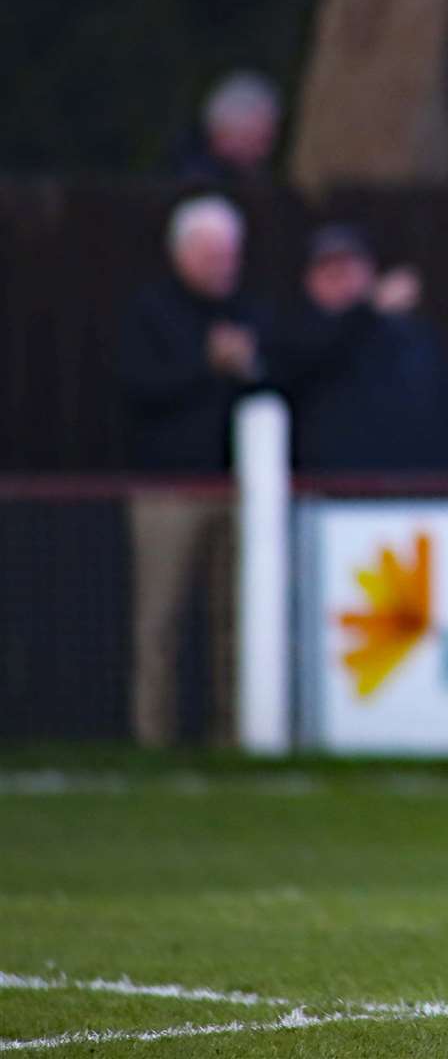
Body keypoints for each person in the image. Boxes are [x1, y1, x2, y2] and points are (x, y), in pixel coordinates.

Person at [118, 195, 272, 747]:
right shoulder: (150, 313)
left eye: (229, 254)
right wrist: (205, 365)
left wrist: (245, 365)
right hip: (170, 490)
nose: (222, 265)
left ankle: (234, 735)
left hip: (239, 488)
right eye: (210, 254)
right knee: (159, 621)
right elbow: (138, 389)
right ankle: (152, 737)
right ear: (181, 252)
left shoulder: (250, 312)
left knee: (237, 620)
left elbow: (274, 386)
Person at [269, 224, 448, 472]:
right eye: (330, 272)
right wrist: (369, 309)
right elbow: (309, 358)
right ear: (310, 281)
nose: (341, 281)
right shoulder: (294, 333)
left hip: (406, 488)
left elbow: (441, 412)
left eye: (349, 270)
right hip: (326, 489)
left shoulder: (409, 336)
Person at [175, 70, 283, 185]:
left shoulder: (257, 181)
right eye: (247, 139)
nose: (262, 151)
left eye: (266, 140)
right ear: (219, 133)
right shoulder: (196, 184)